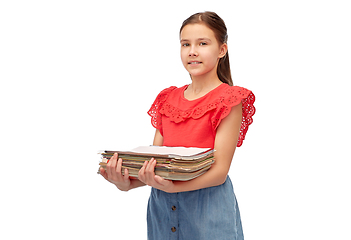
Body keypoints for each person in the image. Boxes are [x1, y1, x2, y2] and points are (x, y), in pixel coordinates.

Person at [99, 11, 255, 240]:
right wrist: (126, 183)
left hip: (208, 210)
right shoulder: (168, 99)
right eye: (185, 44)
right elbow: (156, 165)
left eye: (202, 43)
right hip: (162, 209)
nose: (192, 51)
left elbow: (219, 173)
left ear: (222, 50)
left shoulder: (229, 99)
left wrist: (173, 188)